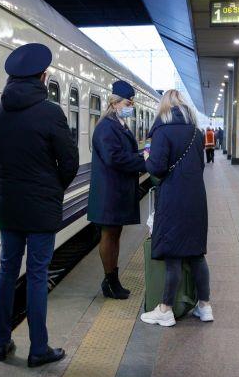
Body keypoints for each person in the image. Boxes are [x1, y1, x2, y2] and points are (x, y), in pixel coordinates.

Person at [0, 43, 79, 367]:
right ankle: (38, 349)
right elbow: (70, 161)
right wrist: (53, 189)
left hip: (10, 208)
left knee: (7, 271)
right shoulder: (51, 112)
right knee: (37, 274)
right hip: (41, 209)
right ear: (43, 76)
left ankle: (1, 342)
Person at [139, 89, 212, 327]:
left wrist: (148, 156)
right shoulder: (196, 132)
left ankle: (165, 309)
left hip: (173, 197)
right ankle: (204, 306)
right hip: (196, 197)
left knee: (173, 254)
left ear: (164, 108)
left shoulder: (162, 130)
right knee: (196, 255)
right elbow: (200, 166)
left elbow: (157, 168)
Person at [87, 80, 146, 300]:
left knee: (115, 234)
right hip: (109, 193)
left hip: (116, 190)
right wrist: (143, 160)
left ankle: (112, 280)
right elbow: (114, 158)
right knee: (109, 234)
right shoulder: (106, 127)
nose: (131, 106)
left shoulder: (117, 124)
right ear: (115, 103)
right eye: (129, 102)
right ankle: (109, 281)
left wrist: (140, 157)